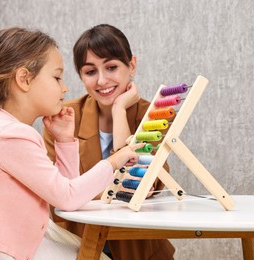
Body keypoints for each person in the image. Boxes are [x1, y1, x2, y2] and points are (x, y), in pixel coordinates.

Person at [0, 27, 143, 260]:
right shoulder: (10, 136)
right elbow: (67, 197)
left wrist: (64, 141)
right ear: (24, 79)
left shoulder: (8, 130)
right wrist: (115, 160)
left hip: (10, 243)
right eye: (57, 77)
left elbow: (64, 196)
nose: (64, 88)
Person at [44, 24, 175, 260]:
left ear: (131, 65)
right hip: (81, 245)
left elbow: (137, 185)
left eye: (112, 67)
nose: (102, 80)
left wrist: (119, 110)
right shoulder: (63, 117)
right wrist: (87, 192)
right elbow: (58, 195)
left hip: (139, 248)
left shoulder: (155, 115)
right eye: (90, 71)